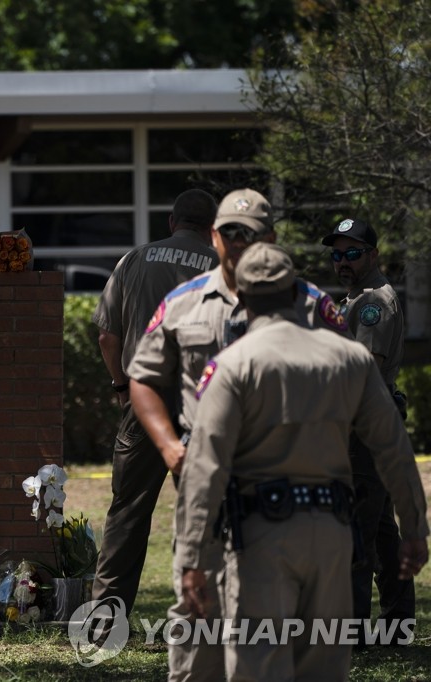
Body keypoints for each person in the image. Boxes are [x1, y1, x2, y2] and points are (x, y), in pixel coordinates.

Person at [175, 242, 428, 680]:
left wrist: (195, 554)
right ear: (297, 294)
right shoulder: (350, 359)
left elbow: (205, 468)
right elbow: (393, 449)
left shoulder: (233, 365)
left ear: (243, 299)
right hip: (330, 537)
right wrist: (415, 528)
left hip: (261, 535)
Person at [127, 188, 348, 681]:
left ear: (270, 238)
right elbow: (141, 377)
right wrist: (168, 445)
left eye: (249, 234)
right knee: (198, 620)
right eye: (229, 232)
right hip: (205, 486)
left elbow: (351, 377)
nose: (238, 241)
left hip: (288, 491)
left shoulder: (310, 304)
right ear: (213, 236)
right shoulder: (183, 303)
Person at [89, 188, 218, 617]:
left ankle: (105, 620)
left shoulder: (133, 260)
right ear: (212, 227)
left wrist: (122, 387)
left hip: (144, 403)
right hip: (205, 404)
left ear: (171, 222)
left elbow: (107, 335)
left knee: (127, 510)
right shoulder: (224, 267)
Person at [321, 218, 413, 638]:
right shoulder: (356, 297)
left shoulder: (373, 301)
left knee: (355, 527)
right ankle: (396, 624)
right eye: (337, 254)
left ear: (372, 255)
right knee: (378, 527)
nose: (342, 261)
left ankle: (352, 631)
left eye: (352, 253)